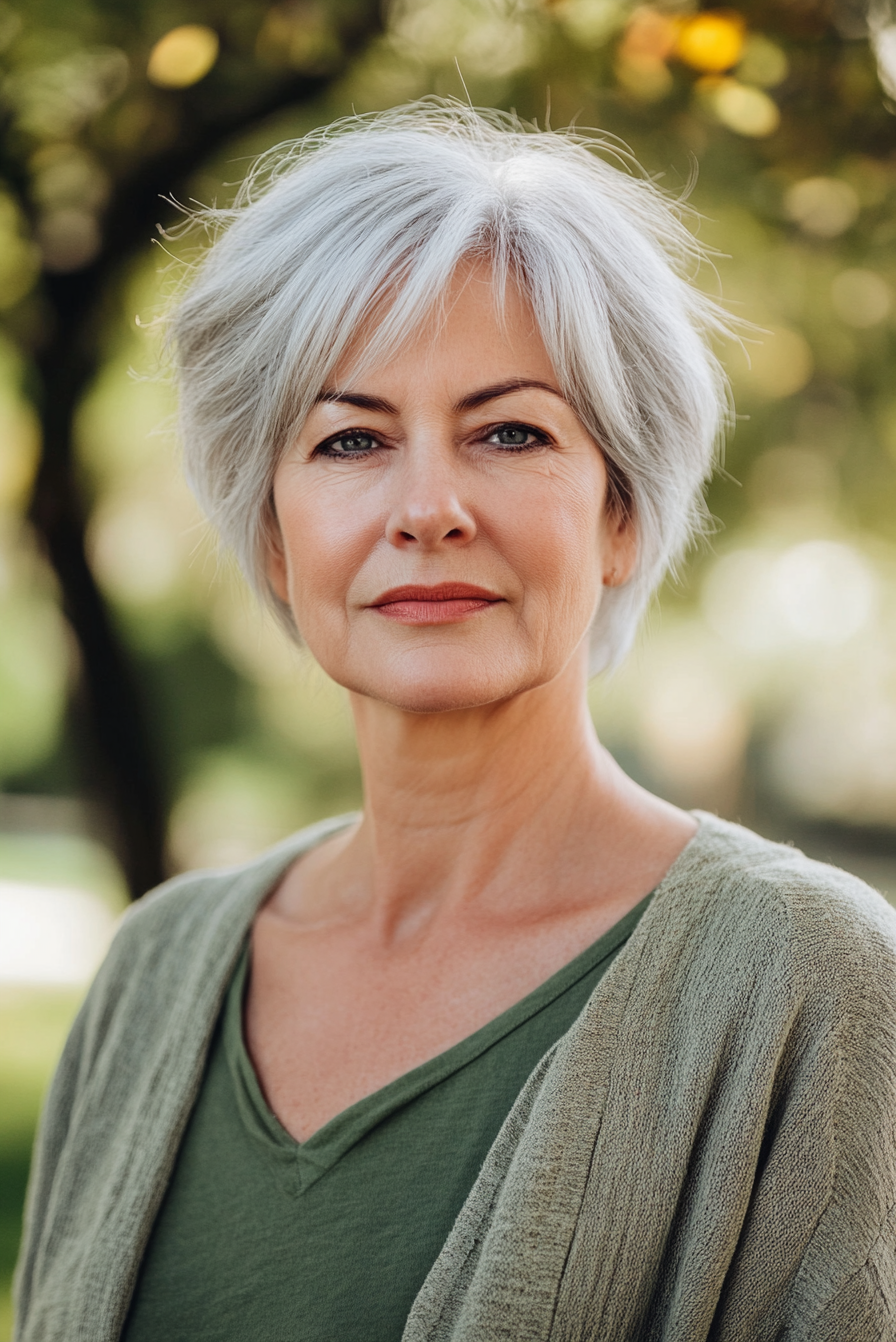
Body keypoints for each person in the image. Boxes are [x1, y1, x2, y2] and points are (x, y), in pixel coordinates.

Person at [14, 103, 896, 1342]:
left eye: (509, 431)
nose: (426, 506)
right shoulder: (156, 971)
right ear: (273, 532)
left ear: (620, 513)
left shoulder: (812, 979)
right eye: (351, 438)